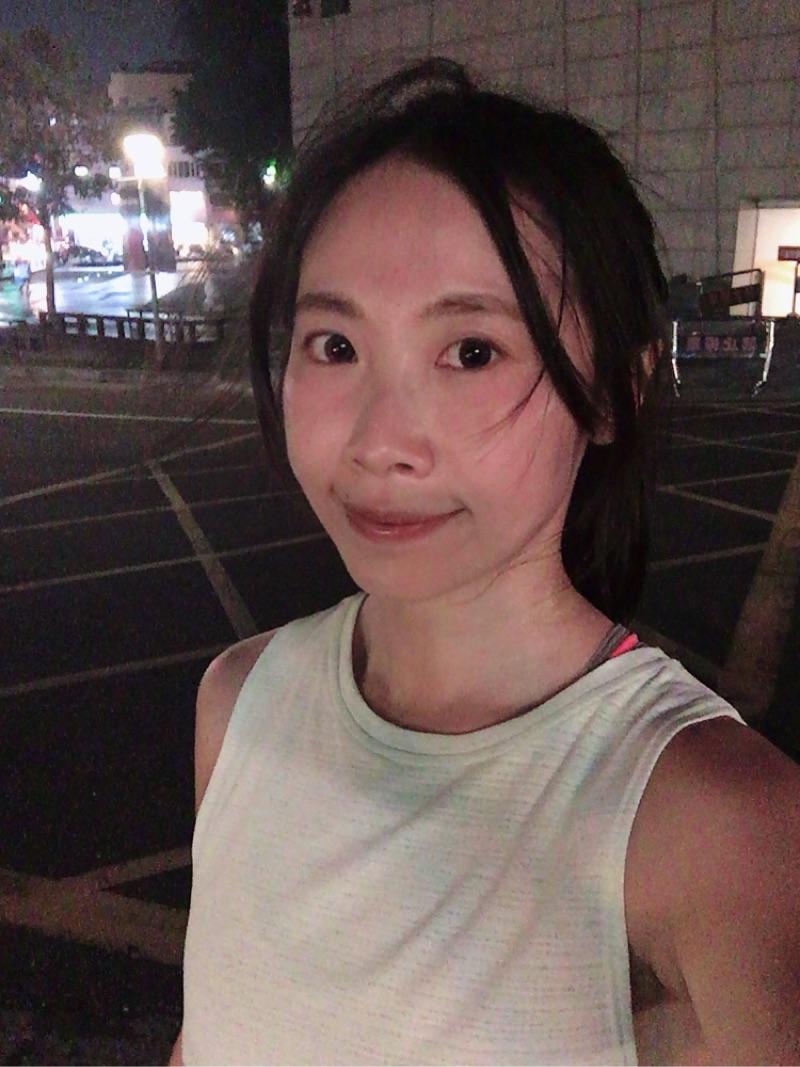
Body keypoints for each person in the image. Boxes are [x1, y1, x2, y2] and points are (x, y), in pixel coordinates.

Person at [170, 59, 800, 1066]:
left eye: (470, 351)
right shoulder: (237, 702)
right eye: (334, 345)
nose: (380, 441)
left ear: (614, 392)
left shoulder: (719, 829)